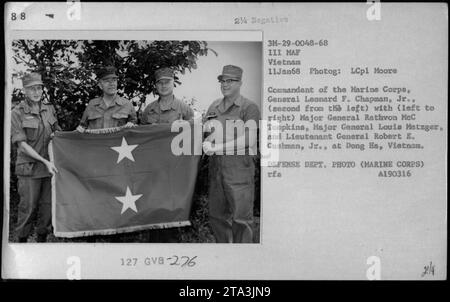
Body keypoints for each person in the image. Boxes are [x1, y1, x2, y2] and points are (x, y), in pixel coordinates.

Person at [202, 65, 260, 243]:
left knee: (241, 221)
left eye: (230, 81)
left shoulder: (249, 107)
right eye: (222, 81)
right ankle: (225, 258)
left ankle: (244, 262)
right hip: (216, 171)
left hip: (239, 172)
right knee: (217, 218)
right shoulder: (214, 106)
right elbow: (205, 130)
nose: (225, 84)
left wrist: (216, 148)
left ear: (240, 83)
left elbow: (249, 140)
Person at [140, 67, 194, 243]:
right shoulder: (149, 110)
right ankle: (154, 243)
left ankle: (173, 245)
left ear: (173, 83)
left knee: (173, 207)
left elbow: (192, 138)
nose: (163, 86)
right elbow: (141, 140)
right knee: (154, 205)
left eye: (167, 82)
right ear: (156, 85)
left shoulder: (184, 109)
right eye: (160, 82)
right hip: (153, 167)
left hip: (175, 167)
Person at [11, 72, 60, 243]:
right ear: (24, 90)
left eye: (39, 88)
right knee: (28, 209)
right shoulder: (17, 113)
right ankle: (22, 244)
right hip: (30, 168)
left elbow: (57, 134)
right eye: (32, 89)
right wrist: (45, 161)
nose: (37, 92)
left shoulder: (49, 109)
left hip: (49, 169)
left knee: (47, 210)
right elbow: (22, 145)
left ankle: (42, 242)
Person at [77, 66, 137, 131]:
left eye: (114, 80)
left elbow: (136, 130)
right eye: (107, 81)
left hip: (117, 141)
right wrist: (80, 129)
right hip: (97, 141)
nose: (111, 84)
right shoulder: (92, 105)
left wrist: (132, 124)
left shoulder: (127, 104)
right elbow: (82, 128)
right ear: (100, 85)